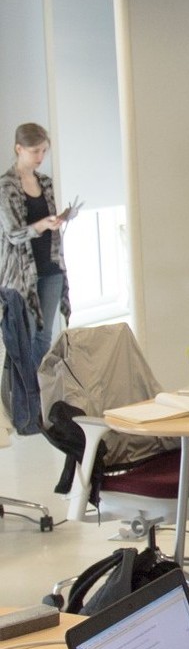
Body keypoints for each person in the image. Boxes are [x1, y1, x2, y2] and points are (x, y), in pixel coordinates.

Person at [1, 124, 73, 433]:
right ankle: (29, 411)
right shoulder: (6, 186)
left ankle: (40, 408)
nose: (41, 157)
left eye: (44, 150)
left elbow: (49, 223)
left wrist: (57, 222)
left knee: (43, 340)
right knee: (25, 341)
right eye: (35, 151)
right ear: (19, 148)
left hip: (51, 266)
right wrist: (43, 224)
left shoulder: (45, 182)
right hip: (22, 275)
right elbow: (14, 234)